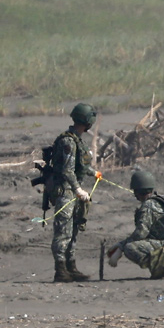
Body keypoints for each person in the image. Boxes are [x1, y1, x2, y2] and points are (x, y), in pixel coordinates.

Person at [107, 170, 164, 279]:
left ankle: (161, 268)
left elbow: (141, 233)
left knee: (130, 248)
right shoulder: (160, 201)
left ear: (138, 191)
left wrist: (121, 246)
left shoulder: (148, 206)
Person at [49, 103, 99, 283]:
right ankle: (60, 270)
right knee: (63, 231)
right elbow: (67, 170)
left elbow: (81, 166)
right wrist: (77, 189)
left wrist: (94, 173)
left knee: (74, 230)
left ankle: (71, 267)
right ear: (87, 120)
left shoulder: (78, 140)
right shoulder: (68, 141)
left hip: (74, 192)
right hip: (66, 192)